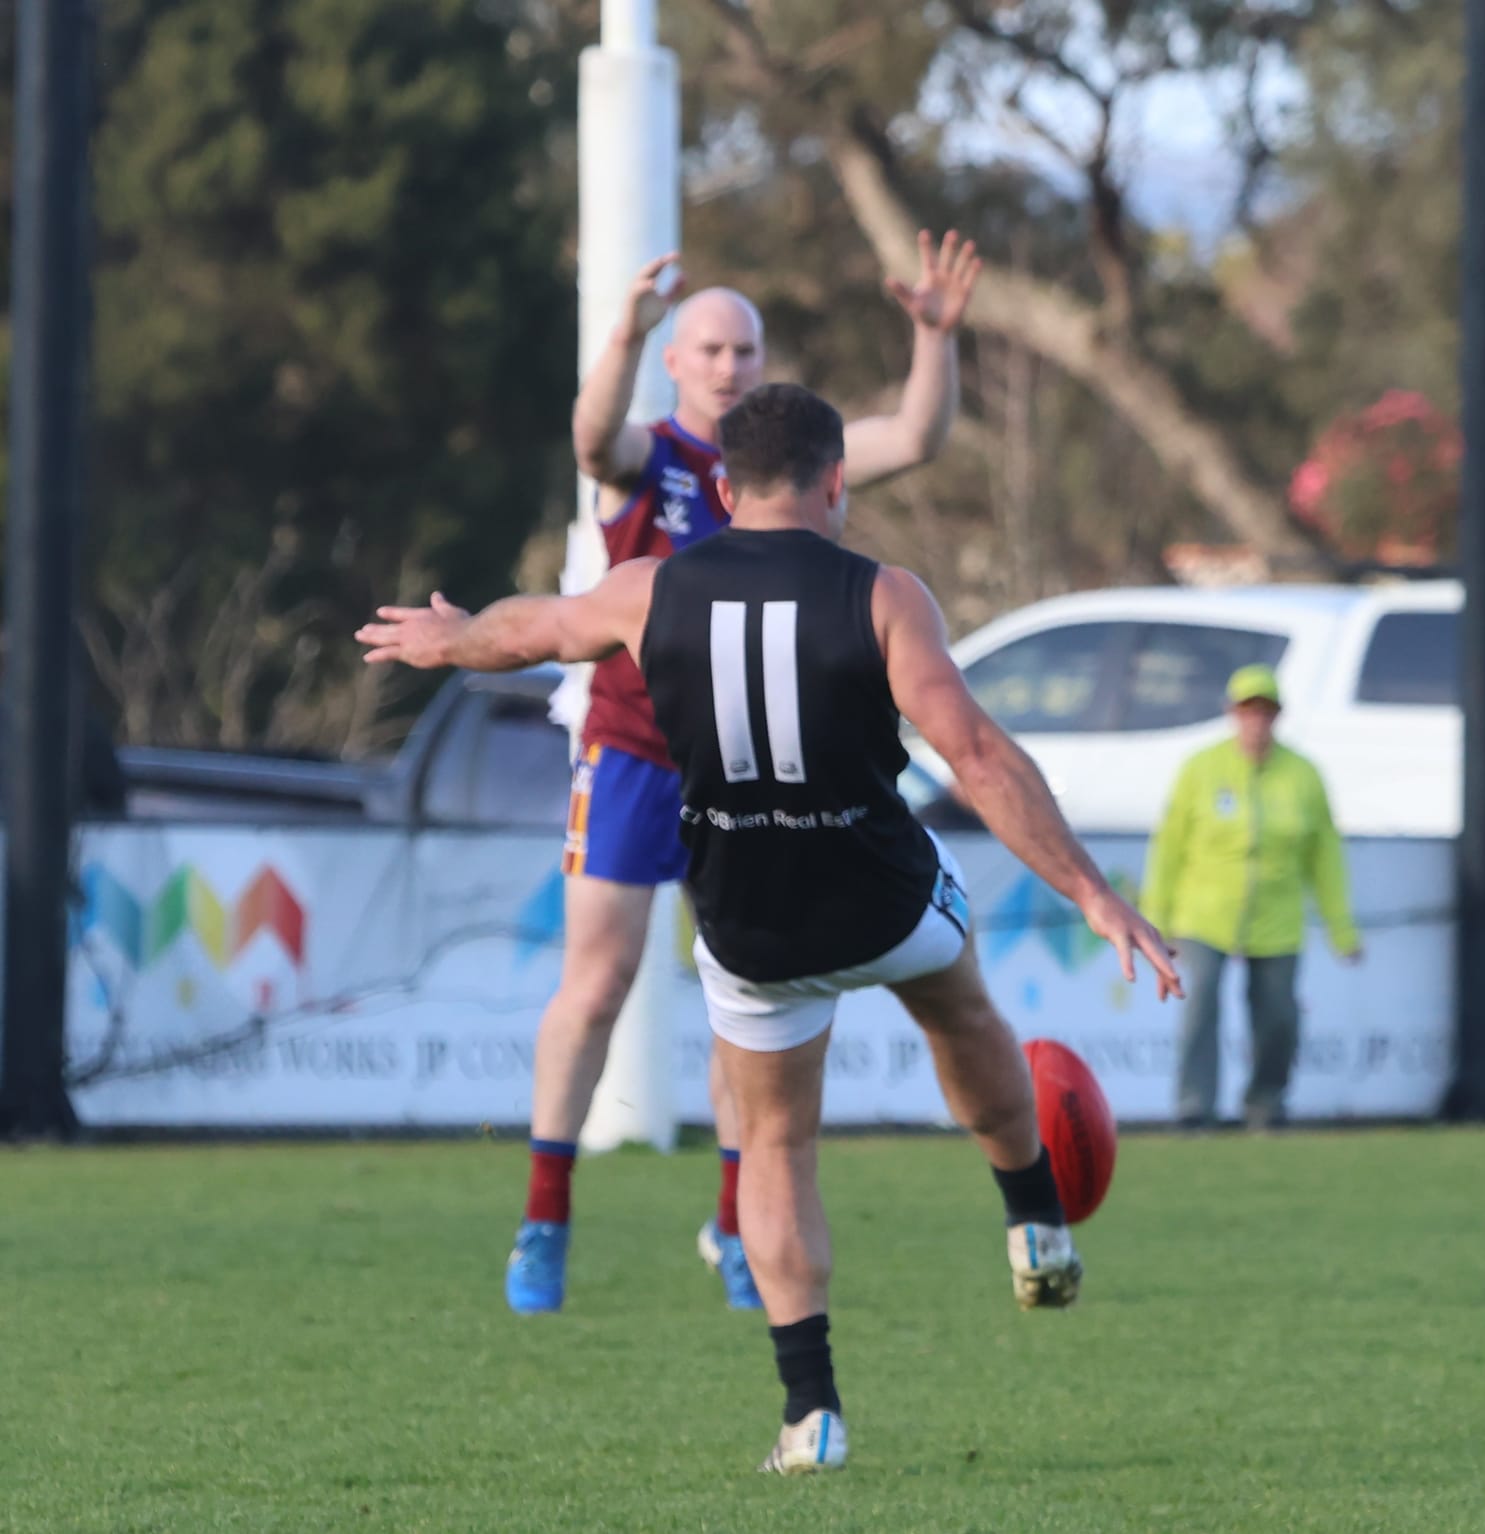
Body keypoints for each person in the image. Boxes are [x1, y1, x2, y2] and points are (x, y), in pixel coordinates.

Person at [357, 382, 1181, 1474]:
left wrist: (454, 636)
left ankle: (812, 1413)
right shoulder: (885, 594)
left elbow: (534, 631)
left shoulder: (649, 587)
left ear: (720, 484)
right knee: (959, 1002)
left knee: (778, 1145)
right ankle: (1032, 1215)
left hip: (750, 918)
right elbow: (975, 756)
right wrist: (1088, 889)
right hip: (877, 890)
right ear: (836, 480)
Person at [518, 232, 983, 1317]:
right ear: (676, 363)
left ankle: (736, 1225)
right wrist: (622, 329)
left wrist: (931, 336)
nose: (729, 366)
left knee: (747, 983)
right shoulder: (652, 457)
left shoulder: (781, 470)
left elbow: (915, 433)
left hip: (743, 761)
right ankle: (544, 1216)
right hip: (636, 749)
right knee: (597, 979)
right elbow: (591, 436)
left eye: (745, 349)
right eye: (710, 348)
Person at [1140, 664, 1363, 1132]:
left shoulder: (1303, 775)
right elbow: (1170, 847)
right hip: (1204, 913)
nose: (1255, 722)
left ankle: (1265, 1104)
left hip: (1276, 917)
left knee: (1279, 1017)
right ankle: (1194, 1108)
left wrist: (1342, 928)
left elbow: (1325, 858)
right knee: (1199, 1005)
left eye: (1265, 712)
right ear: (1230, 713)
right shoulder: (1201, 768)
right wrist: (1154, 919)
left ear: (1277, 717)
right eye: (1247, 711)